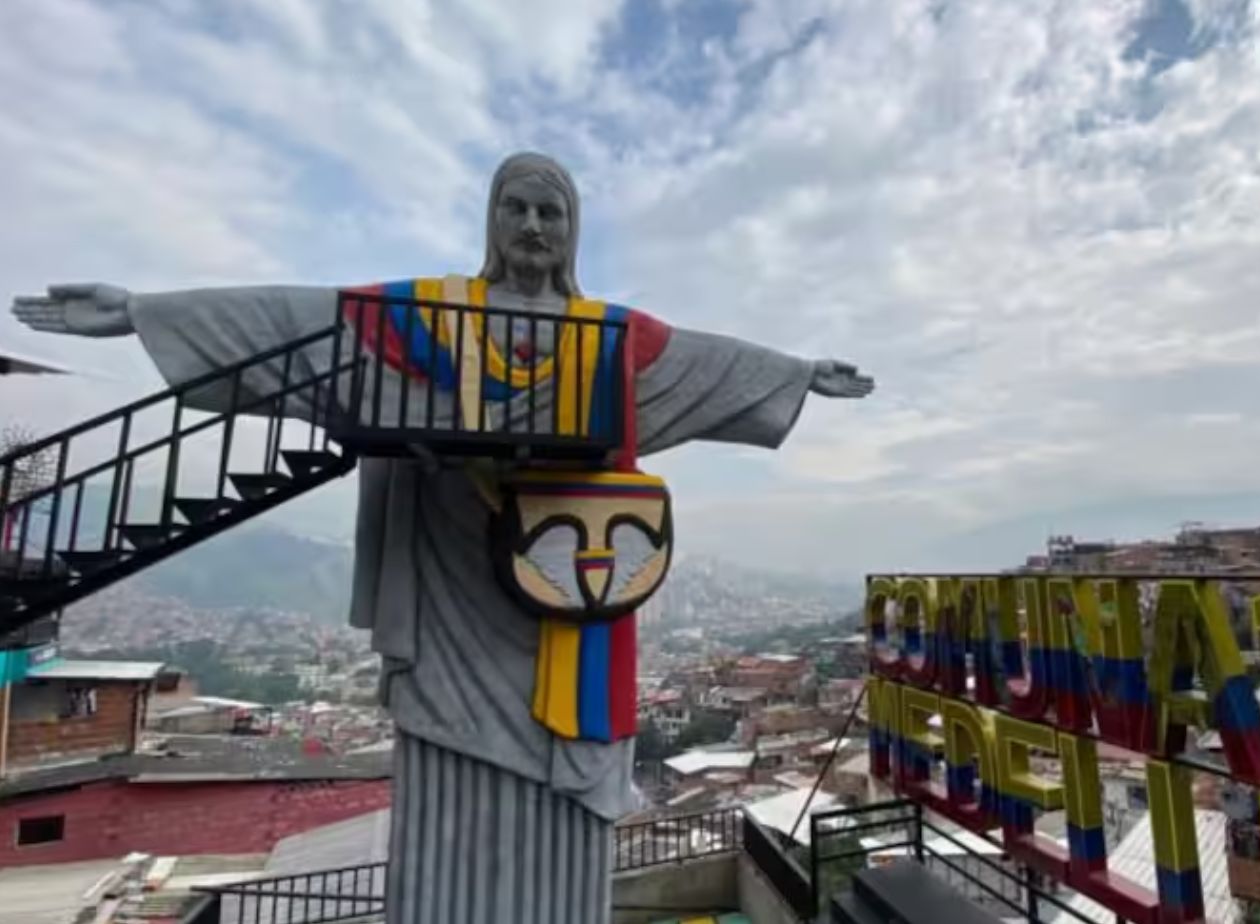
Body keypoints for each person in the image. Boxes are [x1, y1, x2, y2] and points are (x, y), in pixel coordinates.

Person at [12, 152, 874, 924]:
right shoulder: (425, 320)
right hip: (444, 588)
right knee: (447, 780)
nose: (532, 225)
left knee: (559, 800)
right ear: (492, 220)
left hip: (562, 606)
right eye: (516, 208)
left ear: (571, 230)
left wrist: (799, 373)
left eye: (550, 211)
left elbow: (704, 361)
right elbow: (300, 318)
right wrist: (143, 313)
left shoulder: (605, 340)